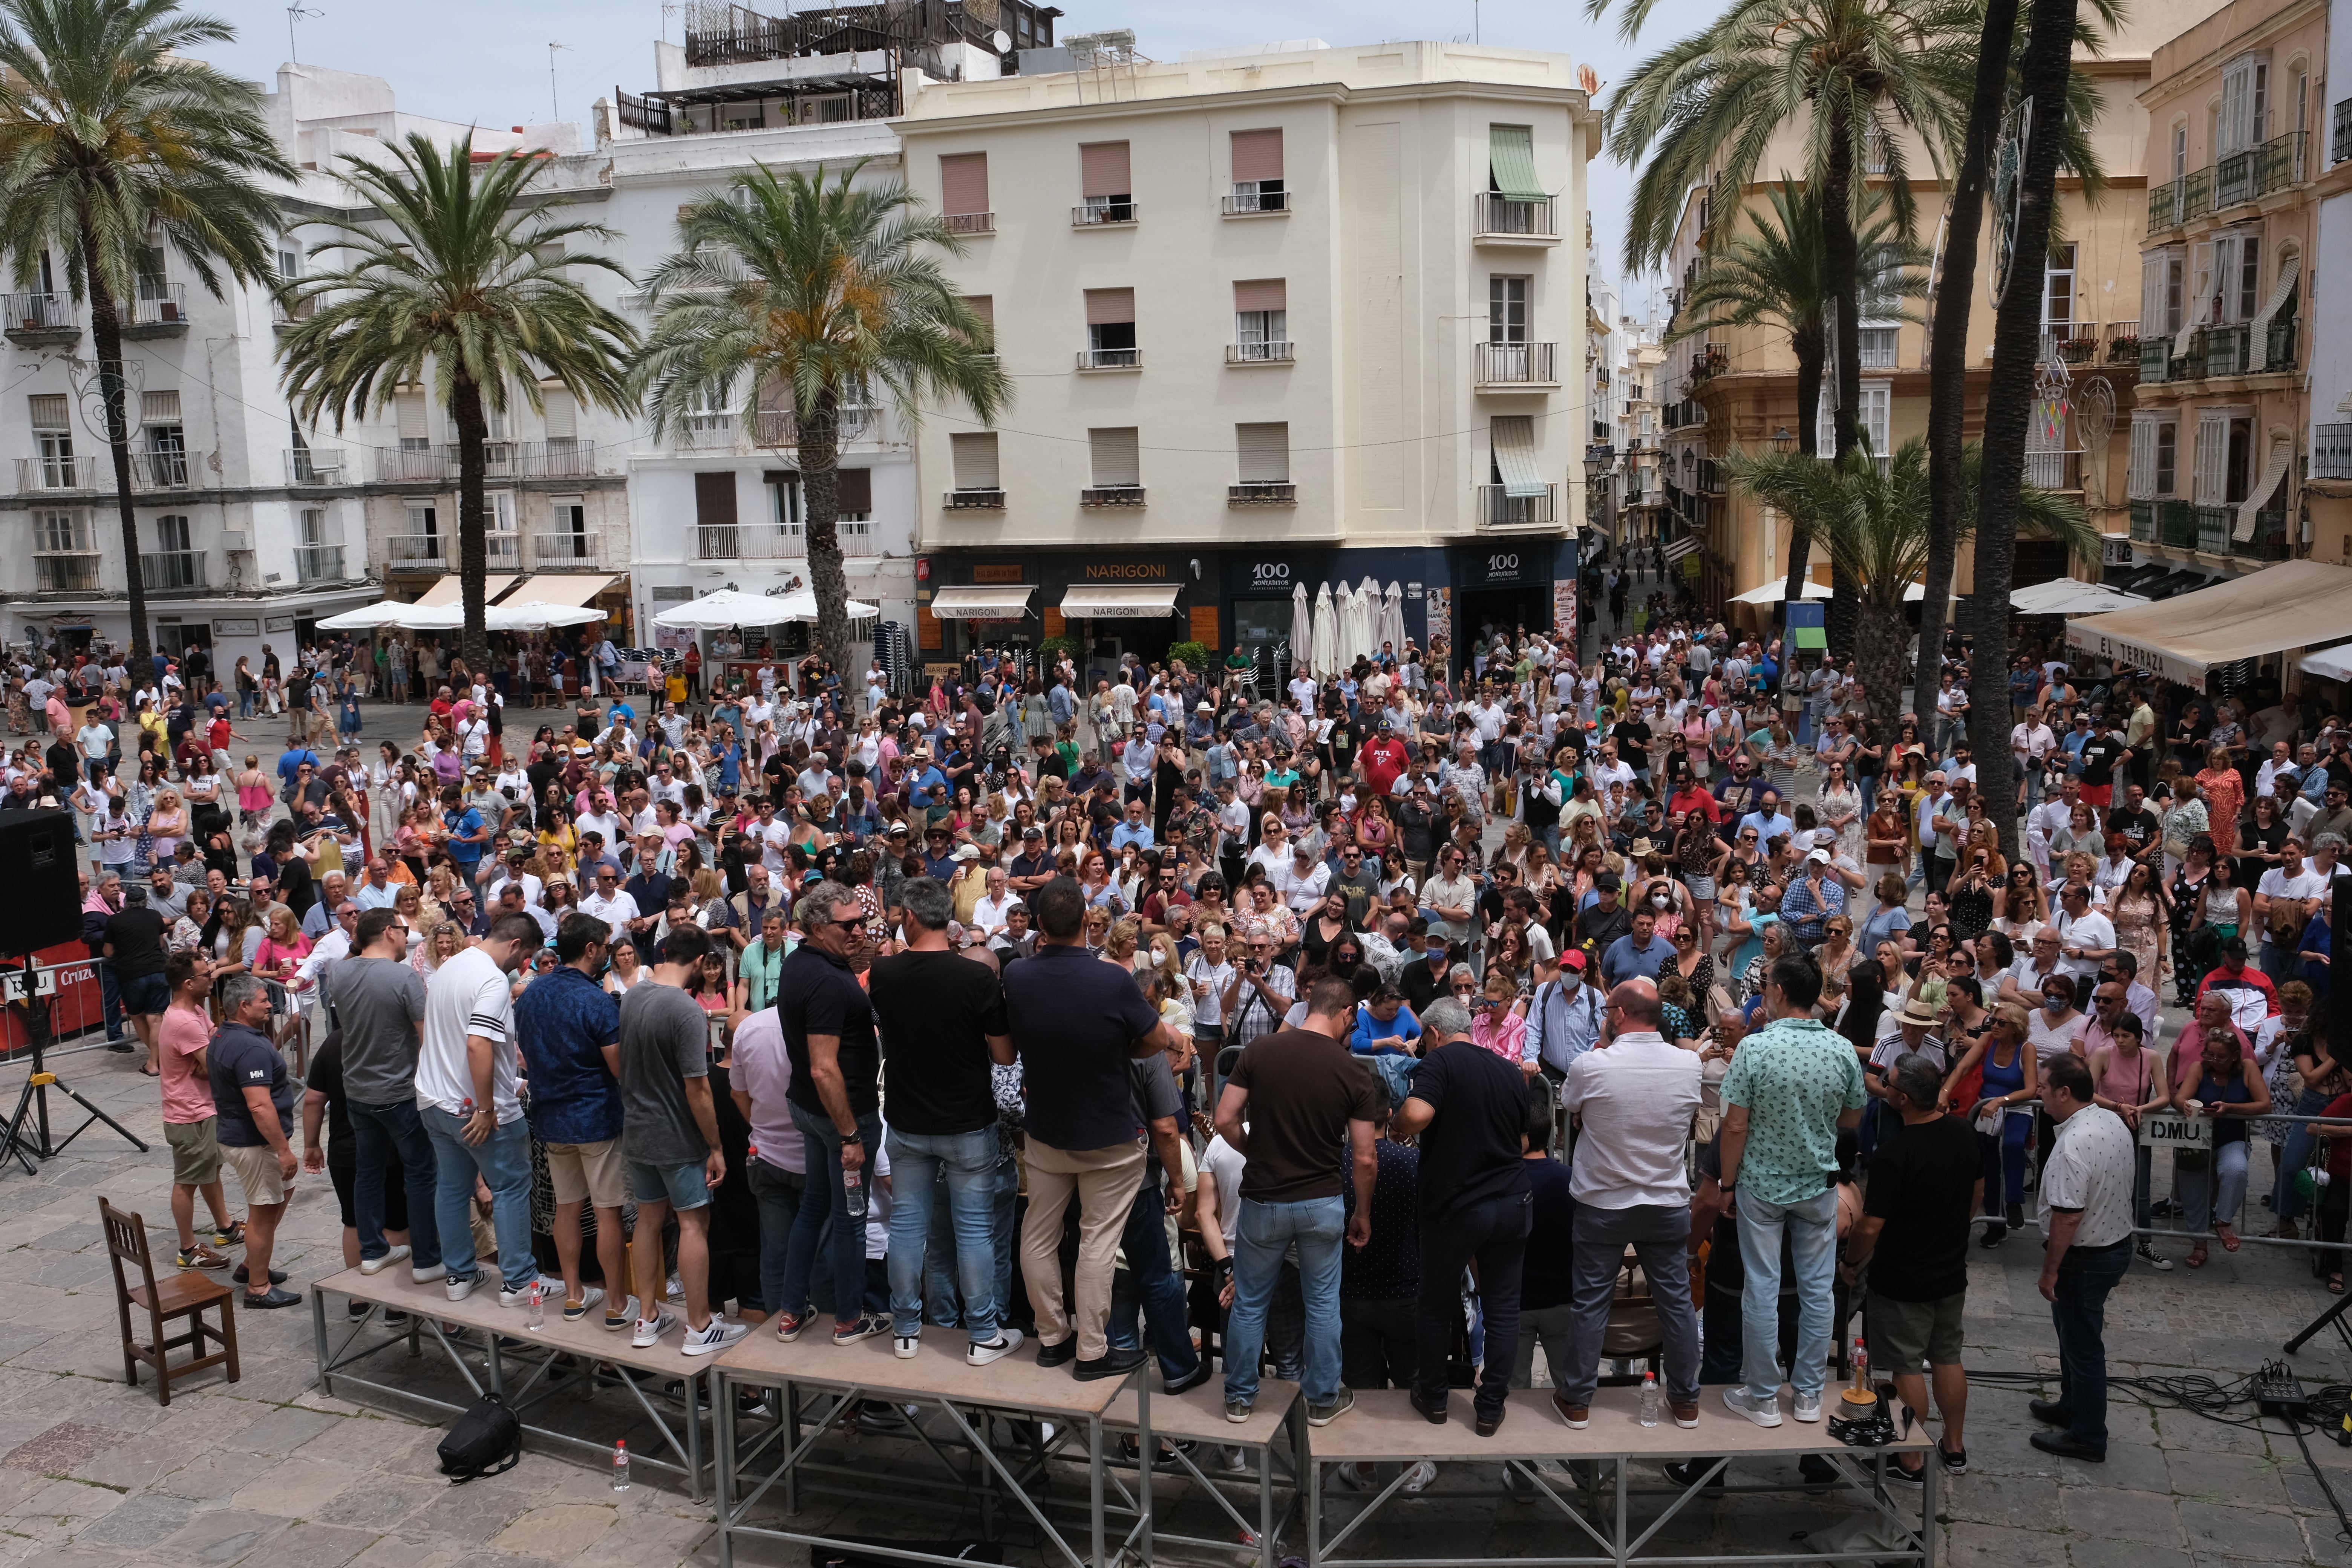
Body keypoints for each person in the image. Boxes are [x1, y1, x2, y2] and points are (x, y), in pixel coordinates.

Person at [1009, 880, 1180, 1377]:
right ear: (1088, 923)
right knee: (1097, 1243)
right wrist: (1124, 1049)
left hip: (1047, 1131)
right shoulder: (1112, 980)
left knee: (1038, 1236)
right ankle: (1091, 1350)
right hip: (1109, 1136)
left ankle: (1052, 1337)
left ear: (1039, 926)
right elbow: (1154, 1040)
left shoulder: (1018, 975)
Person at [1214, 973, 1380, 1426]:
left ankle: (1239, 1397)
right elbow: (1365, 1157)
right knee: (1323, 1302)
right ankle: (1323, 1399)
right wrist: (1362, 1212)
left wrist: (1256, 1151)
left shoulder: (1261, 1051)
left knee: (1250, 1300)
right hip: (1321, 1200)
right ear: (1346, 1012)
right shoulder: (1353, 1070)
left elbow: (1225, 1118)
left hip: (1264, 1198)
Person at [872, 877, 1023, 1366]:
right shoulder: (977, 979)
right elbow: (1004, 1055)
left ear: (911, 918)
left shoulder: (885, 973)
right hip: (967, 1122)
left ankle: (907, 1331)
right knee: (975, 1232)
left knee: (909, 1227)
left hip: (908, 1120)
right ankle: (983, 1336)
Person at [1716, 951, 1865, 1426]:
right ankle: (1807, 1394)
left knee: (1761, 1286)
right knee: (1817, 1289)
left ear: (1778, 991)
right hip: (1817, 1183)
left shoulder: (1755, 1048)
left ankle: (1762, 1396)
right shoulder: (1840, 1048)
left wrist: (1727, 1183)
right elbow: (1852, 1117)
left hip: (1762, 1184)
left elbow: (1735, 1125)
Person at [1549, 983, 1702, 1430]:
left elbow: (1572, 1105)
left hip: (1603, 1202)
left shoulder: (1592, 1063)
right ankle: (1686, 1399)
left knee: (1591, 1303)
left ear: (1618, 1014)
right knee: (1675, 1302)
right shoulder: (1689, 1063)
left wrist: (1601, 1045)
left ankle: (1577, 1399)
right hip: (1665, 1200)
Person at [1384, 996, 1534, 1435]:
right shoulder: (1508, 1070)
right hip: (1511, 1201)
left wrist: (1397, 1125)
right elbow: (1523, 1140)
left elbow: (1416, 1113)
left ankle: (1433, 1398)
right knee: (1503, 1307)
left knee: (1435, 1303)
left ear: (1433, 1033)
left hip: (1456, 1206)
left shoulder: (1440, 1062)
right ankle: (1490, 1407)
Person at [1841, 1052, 1977, 1482]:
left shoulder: (1895, 1153)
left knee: (1905, 1365)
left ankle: (1910, 1459)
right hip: (1950, 1267)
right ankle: (1954, 1448)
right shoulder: (1963, 1132)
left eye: (1890, 1083)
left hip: (1903, 1275)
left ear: (1901, 1098)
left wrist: (1851, 1262)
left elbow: (1870, 1226)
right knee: (1948, 1357)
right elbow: (1978, 1191)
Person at [615, 925, 747, 1354]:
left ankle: (647, 1316)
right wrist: (716, 1147)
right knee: (693, 1224)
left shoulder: (634, 994)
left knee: (650, 1222)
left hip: (637, 1129)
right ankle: (699, 1324)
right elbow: (699, 1088)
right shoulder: (686, 1011)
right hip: (676, 1135)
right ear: (697, 963)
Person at [771, 880, 887, 1345]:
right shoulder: (824, 979)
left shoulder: (801, 961)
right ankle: (849, 1319)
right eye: (849, 924)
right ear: (819, 928)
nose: (859, 930)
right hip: (841, 1117)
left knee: (816, 1206)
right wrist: (850, 1137)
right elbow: (824, 1067)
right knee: (849, 1217)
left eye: (862, 920)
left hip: (810, 1111)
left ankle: (792, 1309)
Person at [513, 912, 634, 1328]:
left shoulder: (529, 995)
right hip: (595, 1116)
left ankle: (574, 1294)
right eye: (604, 945)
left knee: (566, 1209)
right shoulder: (597, 1000)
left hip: (551, 1115)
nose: (607, 952)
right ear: (590, 949)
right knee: (607, 1212)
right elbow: (619, 1067)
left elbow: (527, 1053)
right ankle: (617, 1302)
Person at [417, 913, 544, 1305]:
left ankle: (458, 1274)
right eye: (527, 957)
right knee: (510, 1187)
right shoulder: (491, 979)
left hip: (435, 1099)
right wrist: (487, 1108)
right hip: (473, 1107)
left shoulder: (450, 966)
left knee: (453, 1188)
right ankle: (519, 1280)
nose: (525, 967)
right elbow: (477, 1043)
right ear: (515, 945)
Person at [2029, 1054, 2139, 1461]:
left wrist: (2050, 1269)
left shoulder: (2075, 1141)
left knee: (2083, 1344)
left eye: (2043, 1086)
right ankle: (2071, 1404)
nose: (2038, 1092)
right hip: (2113, 1245)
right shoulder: (2109, 1120)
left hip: (2087, 1255)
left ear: (2063, 1091)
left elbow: (2068, 1215)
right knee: (2072, 1334)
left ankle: (2089, 1435)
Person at [325, 908, 443, 1284]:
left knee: (369, 1172)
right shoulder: (403, 976)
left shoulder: (340, 972)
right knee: (421, 1175)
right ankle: (426, 1259)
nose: (406, 936)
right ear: (390, 932)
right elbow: (428, 1039)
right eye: (404, 929)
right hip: (400, 1091)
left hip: (358, 1089)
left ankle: (373, 1250)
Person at [208, 975, 302, 1308]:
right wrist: (283, 1150)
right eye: (264, 1000)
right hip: (254, 1143)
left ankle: (251, 1265)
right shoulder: (249, 1046)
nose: (269, 1004)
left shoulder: (223, 1034)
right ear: (244, 1006)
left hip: (240, 1136)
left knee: (282, 1194)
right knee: (263, 1212)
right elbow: (259, 1105)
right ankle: (258, 1288)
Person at [158, 951, 235, 1270]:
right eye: (206, 975)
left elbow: (216, 1043)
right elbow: (213, 1066)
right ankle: (188, 1249)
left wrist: (210, 1062)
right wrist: (211, 1065)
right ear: (189, 983)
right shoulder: (185, 1022)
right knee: (187, 1180)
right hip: (190, 1115)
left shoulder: (195, 1011)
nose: (212, 977)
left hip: (204, 1108)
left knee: (211, 1170)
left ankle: (226, 1228)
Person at [105, 884, 171, 1075]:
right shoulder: (155, 916)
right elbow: (159, 944)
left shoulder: (115, 921)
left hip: (131, 974)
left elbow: (109, 952)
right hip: (158, 970)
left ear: (126, 902)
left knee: (137, 1016)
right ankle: (158, 1059)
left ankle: (154, 1061)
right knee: (156, 1018)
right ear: (146, 901)